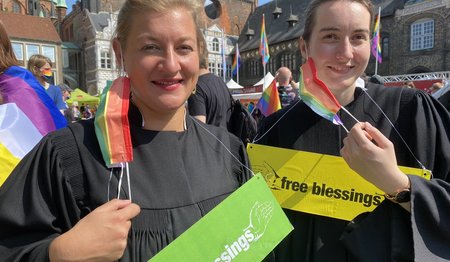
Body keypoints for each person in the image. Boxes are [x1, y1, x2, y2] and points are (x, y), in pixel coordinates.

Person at [0, 0, 251, 260]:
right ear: (119, 53)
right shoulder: (70, 156)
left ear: (199, 54)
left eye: (184, 48)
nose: (171, 64)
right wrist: (58, 253)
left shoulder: (228, 151)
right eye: (151, 47)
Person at [256, 0, 450, 261]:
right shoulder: (274, 129)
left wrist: (398, 184)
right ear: (304, 47)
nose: (345, 53)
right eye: (330, 36)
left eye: (358, 37)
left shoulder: (411, 113)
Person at [0, 20, 66, 185]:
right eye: (45, 68)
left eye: (49, 68)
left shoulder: (18, 82)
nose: (48, 72)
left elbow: (53, 135)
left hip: (25, 186)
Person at [187, 36, 233, 129]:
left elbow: (199, 128)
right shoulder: (221, 83)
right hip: (227, 140)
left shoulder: (197, 88)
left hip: (210, 142)